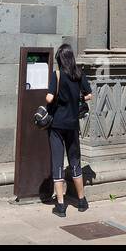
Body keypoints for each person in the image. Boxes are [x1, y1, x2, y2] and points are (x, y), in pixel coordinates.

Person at [45, 42, 92, 217]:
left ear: (60, 59)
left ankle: (61, 205)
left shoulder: (56, 75)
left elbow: (49, 98)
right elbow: (89, 95)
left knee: (57, 163)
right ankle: (81, 200)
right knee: (75, 161)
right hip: (73, 125)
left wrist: (51, 95)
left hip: (57, 125)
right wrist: (78, 97)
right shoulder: (79, 74)